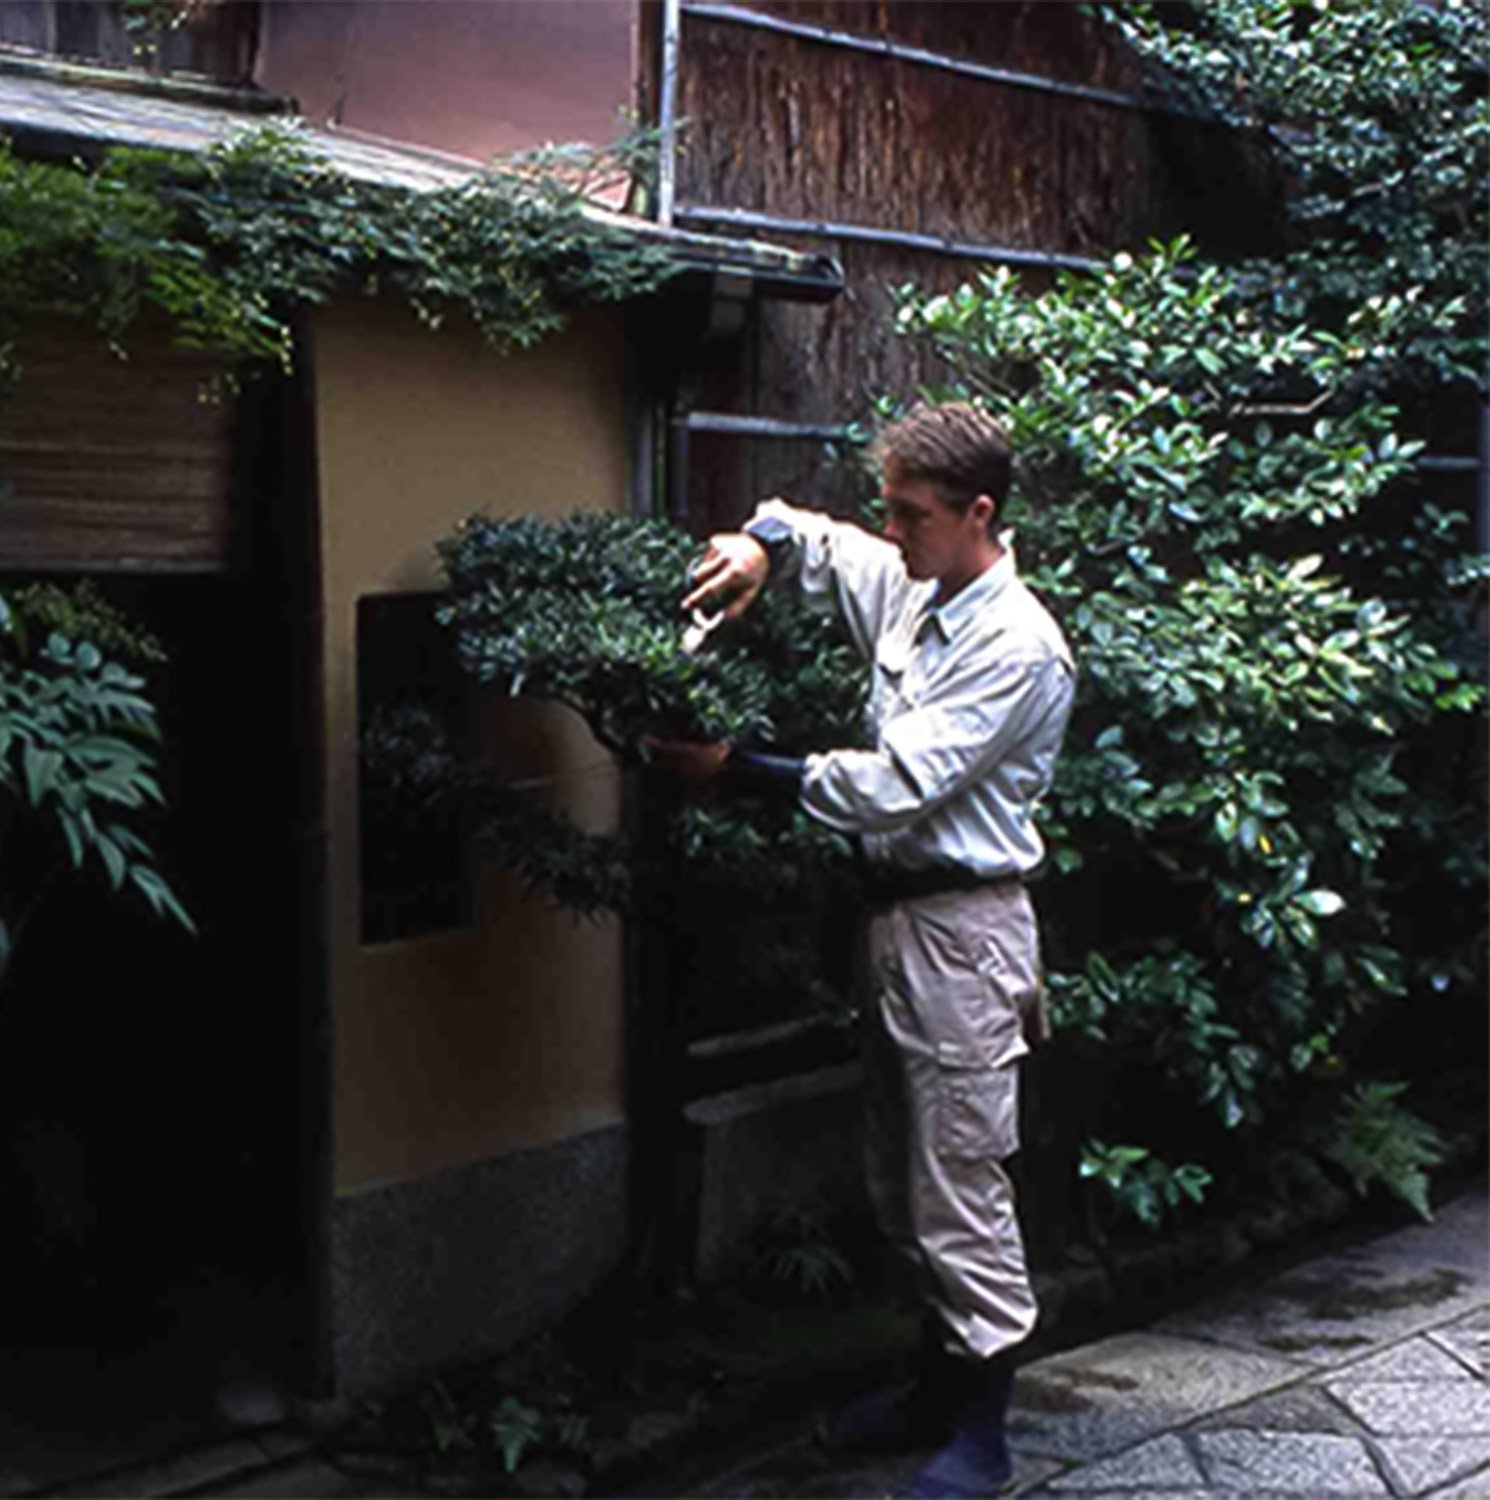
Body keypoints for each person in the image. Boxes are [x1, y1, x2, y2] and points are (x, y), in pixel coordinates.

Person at [671, 402, 1074, 1499]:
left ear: (977, 512)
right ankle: (934, 1391)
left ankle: (982, 1433)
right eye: (888, 509)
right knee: (899, 1180)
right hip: (892, 923)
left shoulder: (1016, 646)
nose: (890, 531)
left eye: (911, 513)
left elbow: (898, 784)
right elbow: (816, 539)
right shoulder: (913, 584)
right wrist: (761, 545)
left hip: (964, 935)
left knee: (958, 1183)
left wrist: (735, 770)